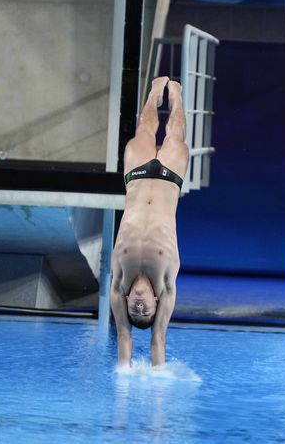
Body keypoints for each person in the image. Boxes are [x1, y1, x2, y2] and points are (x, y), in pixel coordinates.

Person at [110, 76, 189, 367]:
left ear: (126, 300)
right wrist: (158, 400)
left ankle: (156, 92)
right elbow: (158, 340)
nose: (140, 308)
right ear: (157, 305)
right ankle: (177, 96)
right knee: (175, 136)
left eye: (135, 312)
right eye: (146, 312)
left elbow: (123, 335)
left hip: (136, 178)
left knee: (144, 129)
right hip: (170, 179)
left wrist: (124, 372)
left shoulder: (119, 281)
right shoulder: (166, 283)